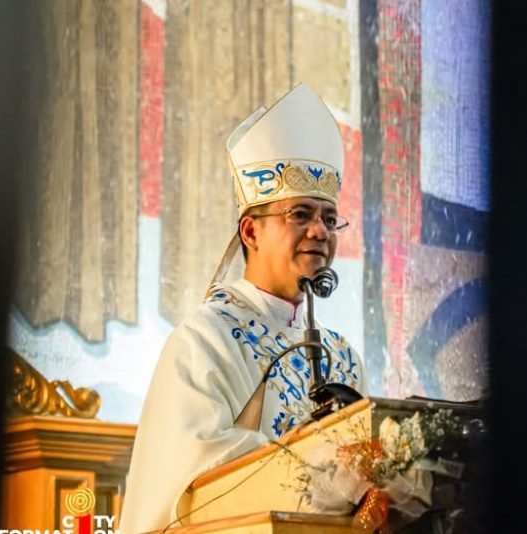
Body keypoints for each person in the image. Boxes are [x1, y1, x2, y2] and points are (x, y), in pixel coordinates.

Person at [119, 83, 368, 534]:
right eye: (301, 215)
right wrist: (322, 468)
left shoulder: (341, 355)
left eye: (329, 219)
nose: (319, 231)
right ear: (251, 233)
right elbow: (197, 469)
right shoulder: (205, 338)